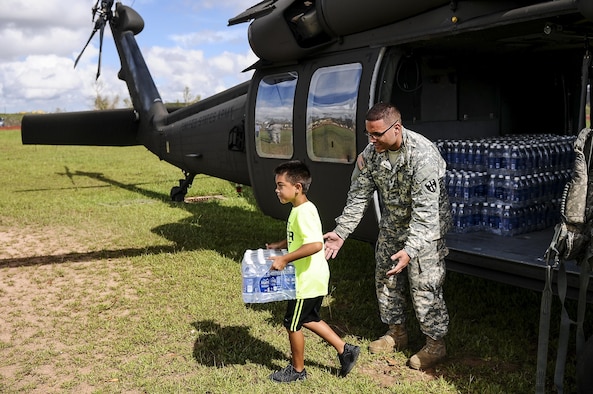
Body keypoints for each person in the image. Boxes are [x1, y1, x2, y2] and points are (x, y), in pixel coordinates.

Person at [323, 102, 452, 370]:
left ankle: (435, 344)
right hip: (393, 226)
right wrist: (341, 232)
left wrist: (410, 250)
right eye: (368, 134)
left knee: (424, 285)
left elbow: (426, 213)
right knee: (386, 279)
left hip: (426, 232)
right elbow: (358, 197)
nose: (371, 140)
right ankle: (397, 333)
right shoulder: (371, 154)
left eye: (377, 134)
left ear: (396, 128)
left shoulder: (423, 155)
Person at [266, 160, 360, 382]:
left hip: (305, 280)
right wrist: (282, 244)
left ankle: (298, 371)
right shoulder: (301, 209)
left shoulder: (303, 212)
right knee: (308, 318)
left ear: (297, 187)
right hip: (313, 276)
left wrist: (285, 259)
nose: (276, 190)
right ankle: (345, 350)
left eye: (281, 185)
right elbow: (303, 240)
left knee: (292, 323)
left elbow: (315, 245)